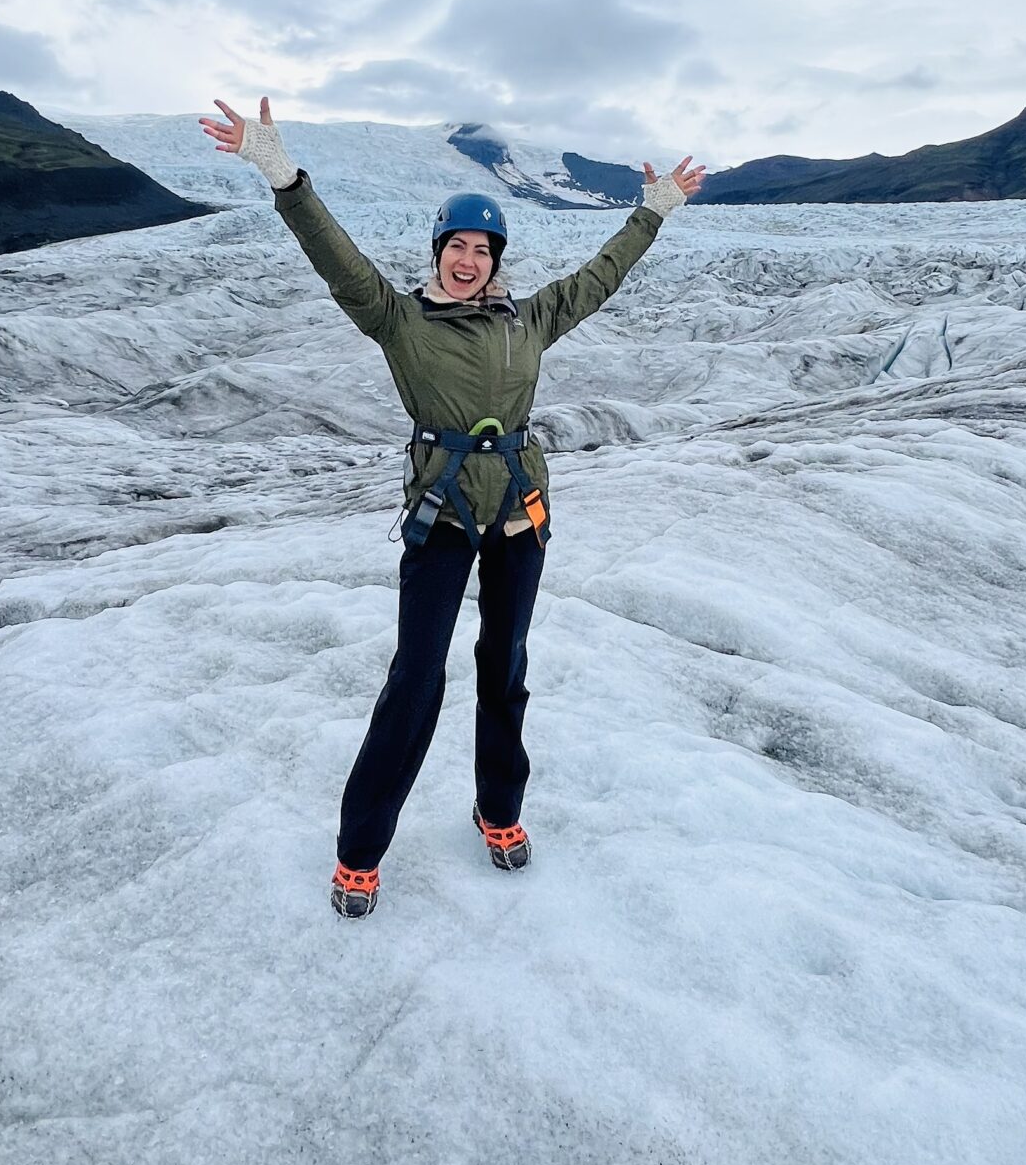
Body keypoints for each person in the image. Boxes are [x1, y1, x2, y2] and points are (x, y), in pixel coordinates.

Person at [198, 96, 706, 916]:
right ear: (438, 251)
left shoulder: (529, 319)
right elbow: (338, 259)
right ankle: (360, 850)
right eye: (457, 246)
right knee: (415, 680)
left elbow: (599, 279)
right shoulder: (398, 320)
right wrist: (282, 176)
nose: (469, 260)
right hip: (441, 518)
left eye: (483, 248)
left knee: (504, 668)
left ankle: (498, 809)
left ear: (496, 257)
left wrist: (650, 215)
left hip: (520, 512)